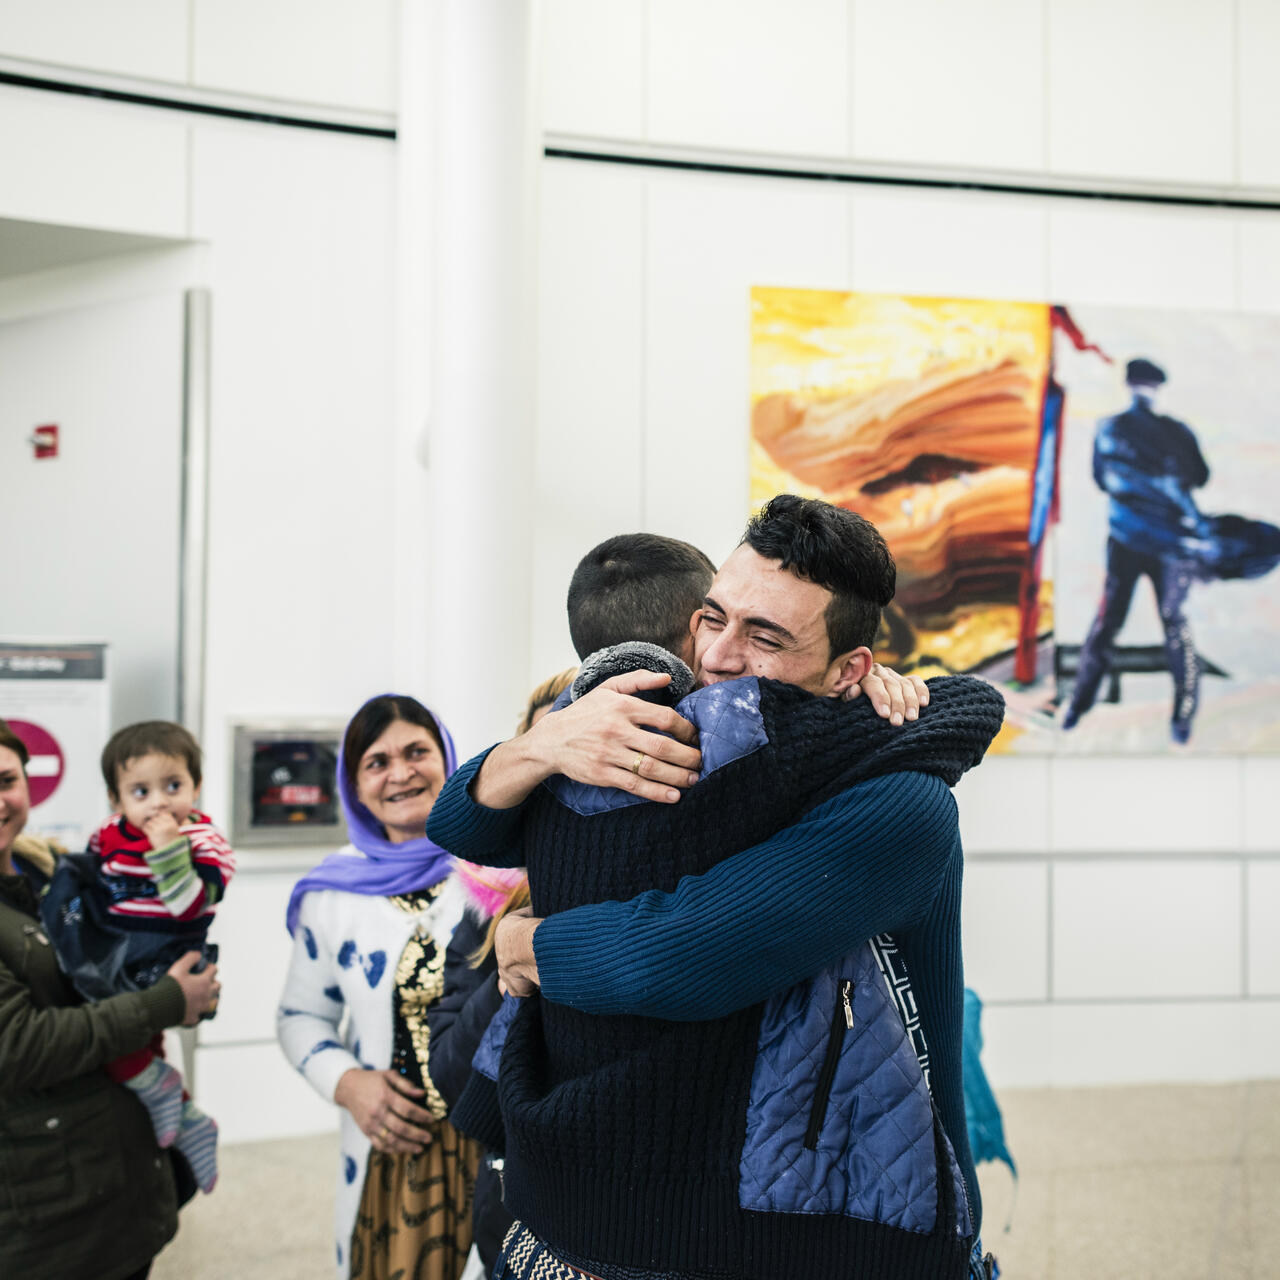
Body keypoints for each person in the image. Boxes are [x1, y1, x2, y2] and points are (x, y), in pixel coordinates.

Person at [431, 497, 1003, 1280]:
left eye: (764, 636)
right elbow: (462, 824)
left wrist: (531, 940)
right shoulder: (692, 743)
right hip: (654, 1196)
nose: (720, 656)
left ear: (851, 671)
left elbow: (677, 951)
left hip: (850, 1215)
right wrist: (541, 745)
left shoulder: (899, 802)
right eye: (712, 617)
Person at [0, 717, 220, 1280]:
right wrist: (167, 1001)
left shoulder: (54, 868)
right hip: (46, 1215)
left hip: (112, 1180)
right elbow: (20, 1046)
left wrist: (181, 983)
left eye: (5, 780)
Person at [277, 694, 481, 1280]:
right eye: (377, 761)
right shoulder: (331, 893)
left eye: (417, 751)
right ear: (355, 784)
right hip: (393, 1156)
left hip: (498, 1146)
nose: (400, 773)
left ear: (447, 759)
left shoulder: (496, 866)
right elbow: (299, 1016)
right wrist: (348, 1084)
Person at [39, 720, 234, 1193]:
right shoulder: (109, 833)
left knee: (126, 1034)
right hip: (114, 948)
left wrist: (169, 849)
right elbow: (92, 876)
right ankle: (183, 1112)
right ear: (116, 799)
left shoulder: (202, 840)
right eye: (141, 791)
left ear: (197, 787)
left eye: (173, 786)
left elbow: (190, 902)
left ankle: (167, 1095)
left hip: (163, 952)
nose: (160, 802)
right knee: (132, 1038)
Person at [426, 668, 576, 1279]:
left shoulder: (660, 903)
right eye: (550, 771)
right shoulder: (485, 906)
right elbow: (451, 1072)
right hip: (509, 1218)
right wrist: (516, 955)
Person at [1062, 358, 1209, 743]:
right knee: (1175, 625)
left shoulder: (1108, 428)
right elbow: (1201, 476)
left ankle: (1078, 705)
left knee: (1107, 624)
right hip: (1169, 544)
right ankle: (1184, 715)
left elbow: (1100, 479)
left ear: (1129, 384)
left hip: (1125, 537)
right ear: (1157, 387)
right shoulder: (1177, 432)